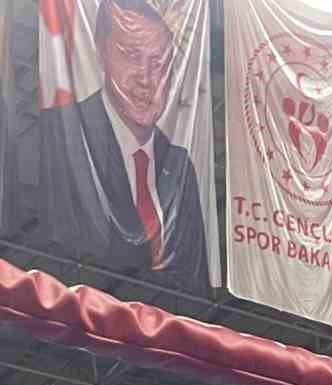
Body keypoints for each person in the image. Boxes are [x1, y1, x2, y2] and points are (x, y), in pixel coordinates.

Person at [39, 0, 209, 280]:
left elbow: (191, 274)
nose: (146, 78)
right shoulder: (65, 133)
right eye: (131, 55)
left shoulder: (180, 167)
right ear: (101, 51)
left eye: (158, 63)